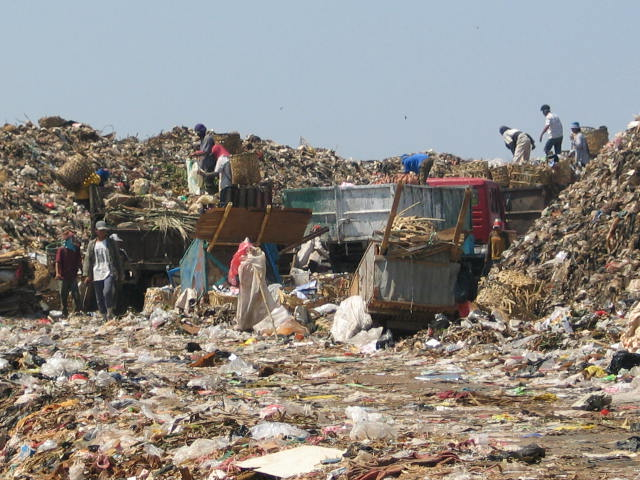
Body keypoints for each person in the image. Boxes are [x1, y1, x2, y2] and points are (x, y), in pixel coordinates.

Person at [82, 220, 124, 321]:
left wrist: (120, 272)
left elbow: (117, 258)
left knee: (107, 291)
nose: (103, 232)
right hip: (96, 272)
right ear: (96, 231)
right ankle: (104, 316)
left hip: (109, 271)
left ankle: (109, 311)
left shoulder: (110, 242)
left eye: (104, 230)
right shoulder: (92, 244)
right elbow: (88, 259)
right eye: (100, 230)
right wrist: (86, 274)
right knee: (99, 296)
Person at [55, 229, 82, 317]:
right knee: (63, 296)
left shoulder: (76, 249)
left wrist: (83, 273)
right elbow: (58, 262)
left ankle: (77, 310)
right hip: (63, 277)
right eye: (71, 238)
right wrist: (58, 273)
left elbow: (79, 261)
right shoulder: (61, 250)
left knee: (76, 294)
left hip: (73, 276)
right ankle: (64, 312)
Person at [191, 123, 217, 194]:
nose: (197, 135)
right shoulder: (203, 140)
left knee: (209, 183)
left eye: (198, 133)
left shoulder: (208, 138)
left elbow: (206, 151)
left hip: (209, 166)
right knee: (205, 183)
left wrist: (195, 153)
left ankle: (213, 196)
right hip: (205, 166)